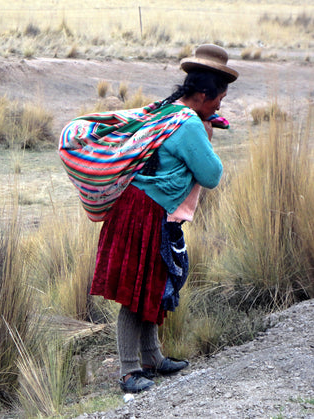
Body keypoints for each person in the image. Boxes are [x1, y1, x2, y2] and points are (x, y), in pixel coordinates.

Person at [89, 44, 239, 393]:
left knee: (153, 284)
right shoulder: (188, 125)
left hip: (140, 208)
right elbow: (212, 175)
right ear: (204, 95)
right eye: (219, 98)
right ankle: (129, 371)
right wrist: (207, 135)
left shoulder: (168, 111)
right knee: (135, 290)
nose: (221, 105)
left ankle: (152, 357)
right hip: (146, 212)